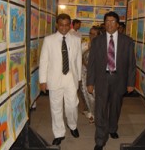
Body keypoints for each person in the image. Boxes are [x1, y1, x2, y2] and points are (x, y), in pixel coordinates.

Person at [87, 11, 136, 150]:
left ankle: (113, 128)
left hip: (119, 79)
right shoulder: (97, 41)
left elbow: (131, 64)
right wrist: (90, 82)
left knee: (115, 107)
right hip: (102, 78)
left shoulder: (127, 41)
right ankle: (100, 139)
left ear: (118, 24)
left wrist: (131, 83)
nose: (110, 24)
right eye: (107, 21)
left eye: (113, 21)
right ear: (104, 24)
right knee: (100, 109)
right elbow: (91, 63)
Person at [39, 13, 82, 146]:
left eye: (66, 25)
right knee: (56, 108)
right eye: (61, 25)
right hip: (54, 79)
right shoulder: (49, 40)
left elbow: (78, 60)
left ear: (70, 25)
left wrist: (79, 78)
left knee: (72, 105)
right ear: (57, 25)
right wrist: (42, 80)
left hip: (71, 78)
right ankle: (59, 133)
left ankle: (72, 125)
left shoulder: (76, 39)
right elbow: (44, 61)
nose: (64, 28)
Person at [81, 26, 101, 123]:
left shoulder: (101, 46)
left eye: (94, 34)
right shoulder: (85, 44)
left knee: (95, 94)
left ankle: (95, 114)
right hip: (84, 73)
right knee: (85, 93)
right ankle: (91, 112)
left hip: (96, 74)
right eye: (90, 33)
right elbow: (78, 57)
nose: (91, 36)